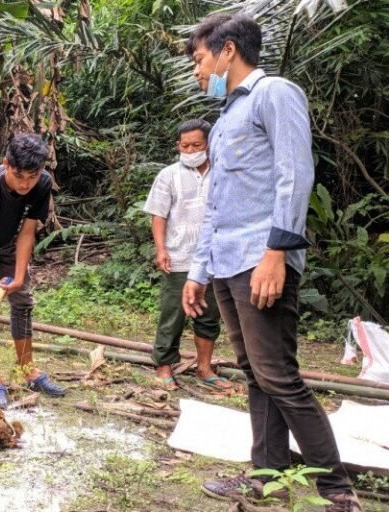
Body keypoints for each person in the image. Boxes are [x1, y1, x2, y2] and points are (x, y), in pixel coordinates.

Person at [183, 13, 360, 511]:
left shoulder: (274, 94)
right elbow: (217, 204)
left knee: (278, 374)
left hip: (261, 259)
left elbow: (294, 175)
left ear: (228, 50)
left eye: (199, 59)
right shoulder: (224, 120)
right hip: (227, 262)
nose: (197, 71)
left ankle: (337, 491)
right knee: (255, 373)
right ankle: (267, 476)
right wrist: (198, 271)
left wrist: (276, 252)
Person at [0, 133, 65, 409]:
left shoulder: (42, 183)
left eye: (32, 176)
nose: (26, 184)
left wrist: (19, 276)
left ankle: (28, 370)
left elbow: (28, 232)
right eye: (19, 176)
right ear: (6, 164)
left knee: (23, 301)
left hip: (8, 241)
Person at [143, 119, 231, 391]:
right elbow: (158, 215)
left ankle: (204, 368)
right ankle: (164, 366)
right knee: (173, 314)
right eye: (185, 146)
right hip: (179, 257)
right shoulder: (168, 175)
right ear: (177, 146)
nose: (190, 150)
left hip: (214, 260)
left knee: (208, 315)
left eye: (196, 145)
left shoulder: (224, 173)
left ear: (209, 144)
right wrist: (161, 249)